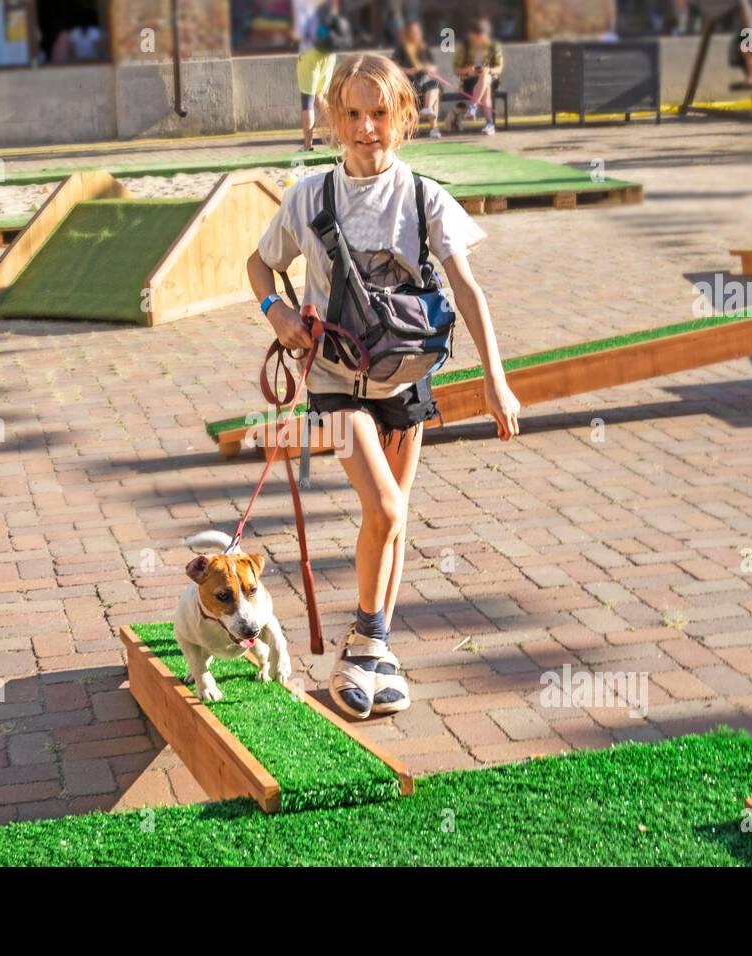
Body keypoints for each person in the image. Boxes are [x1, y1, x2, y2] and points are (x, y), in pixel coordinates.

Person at [245, 54, 521, 720]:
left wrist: (496, 381)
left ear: (403, 116)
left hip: (407, 376)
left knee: (389, 522)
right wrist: (277, 312)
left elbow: (468, 290)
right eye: (353, 114)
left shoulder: (424, 197)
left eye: (380, 113)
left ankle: (376, 650)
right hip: (335, 379)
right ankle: (360, 645)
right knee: (388, 510)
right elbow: (259, 264)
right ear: (333, 117)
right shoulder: (310, 195)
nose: (367, 127)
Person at [294, 0, 348, 152]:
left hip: (310, 53)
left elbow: (300, 33)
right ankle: (337, 137)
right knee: (319, 97)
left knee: (307, 101)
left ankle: (307, 145)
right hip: (329, 54)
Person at [449, 18, 502, 136]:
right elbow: (456, 70)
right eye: (476, 38)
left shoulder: (494, 46)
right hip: (469, 81)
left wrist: (489, 70)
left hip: (492, 79)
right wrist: (468, 70)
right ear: (472, 35)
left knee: (486, 77)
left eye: (481, 38)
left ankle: (473, 106)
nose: (479, 41)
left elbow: (499, 68)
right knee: (486, 87)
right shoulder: (464, 47)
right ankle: (489, 124)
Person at [392, 20, 442, 138]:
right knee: (434, 93)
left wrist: (429, 68)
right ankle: (433, 126)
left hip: (424, 81)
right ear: (409, 33)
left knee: (435, 85)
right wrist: (409, 70)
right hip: (409, 83)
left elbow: (433, 67)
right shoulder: (402, 48)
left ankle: (428, 108)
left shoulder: (423, 48)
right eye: (414, 32)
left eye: (418, 32)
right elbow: (393, 66)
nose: (416, 34)